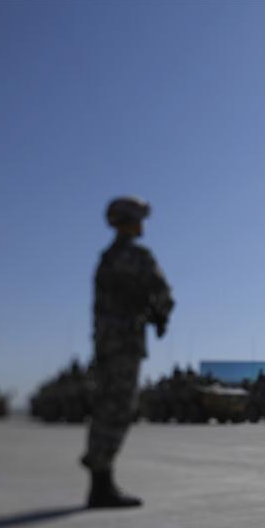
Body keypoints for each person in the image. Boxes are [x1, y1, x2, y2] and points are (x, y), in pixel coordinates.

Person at [82, 196, 174, 509]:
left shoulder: (106, 259)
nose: (142, 224)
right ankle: (101, 483)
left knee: (105, 406)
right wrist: (161, 315)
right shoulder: (137, 256)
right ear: (128, 220)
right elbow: (162, 293)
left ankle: (99, 478)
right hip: (126, 343)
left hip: (106, 344)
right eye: (139, 218)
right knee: (119, 408)